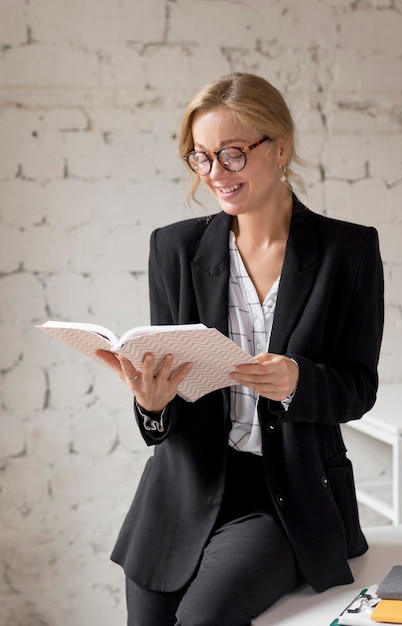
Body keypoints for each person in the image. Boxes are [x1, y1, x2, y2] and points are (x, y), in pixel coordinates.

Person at [97, 72, 385, 626]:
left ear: (280, 146)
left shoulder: (347, 251)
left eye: (232, 154)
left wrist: (299, 382)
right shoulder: (173, 248)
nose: (215, 175)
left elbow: (359, 387)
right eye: (201, 158)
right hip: (180, 493)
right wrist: (152, 406)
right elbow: (170, 397)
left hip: (284, 498)